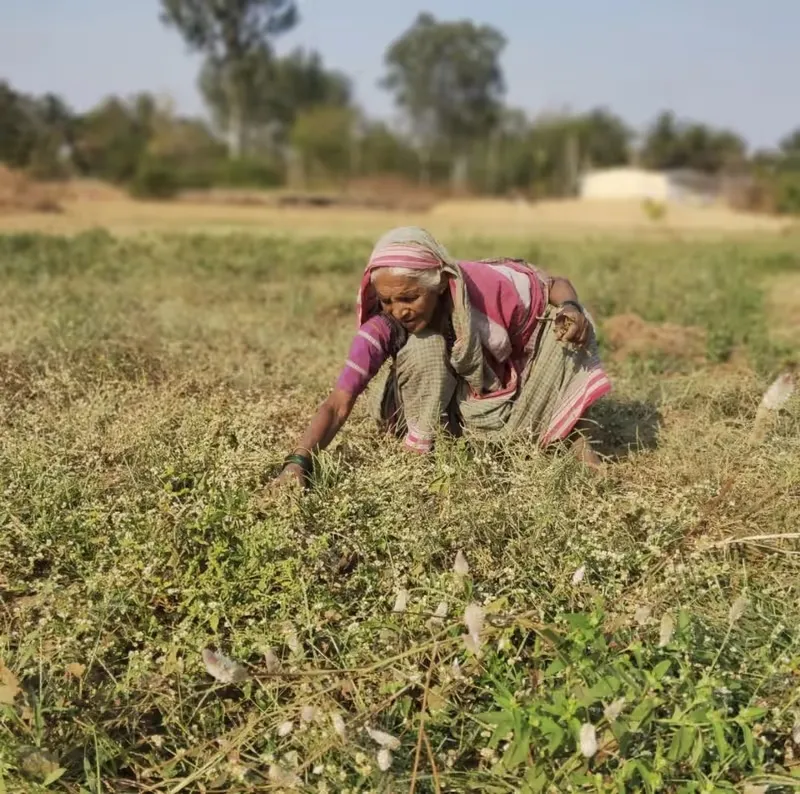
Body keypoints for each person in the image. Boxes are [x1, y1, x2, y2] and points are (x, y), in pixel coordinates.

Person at [276, 226, 611, 486]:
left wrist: (571, 307)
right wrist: (298, 462)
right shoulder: (383, 329)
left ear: (438, 284)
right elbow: (338, 404)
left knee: (570, 329)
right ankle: (421, 451)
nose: (399, 311)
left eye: (409, 297)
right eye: (388, 301)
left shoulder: (478, 289)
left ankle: (570, 434)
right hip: (415, 411)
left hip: (484, 399)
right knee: (427, 345)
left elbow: (555, 285)